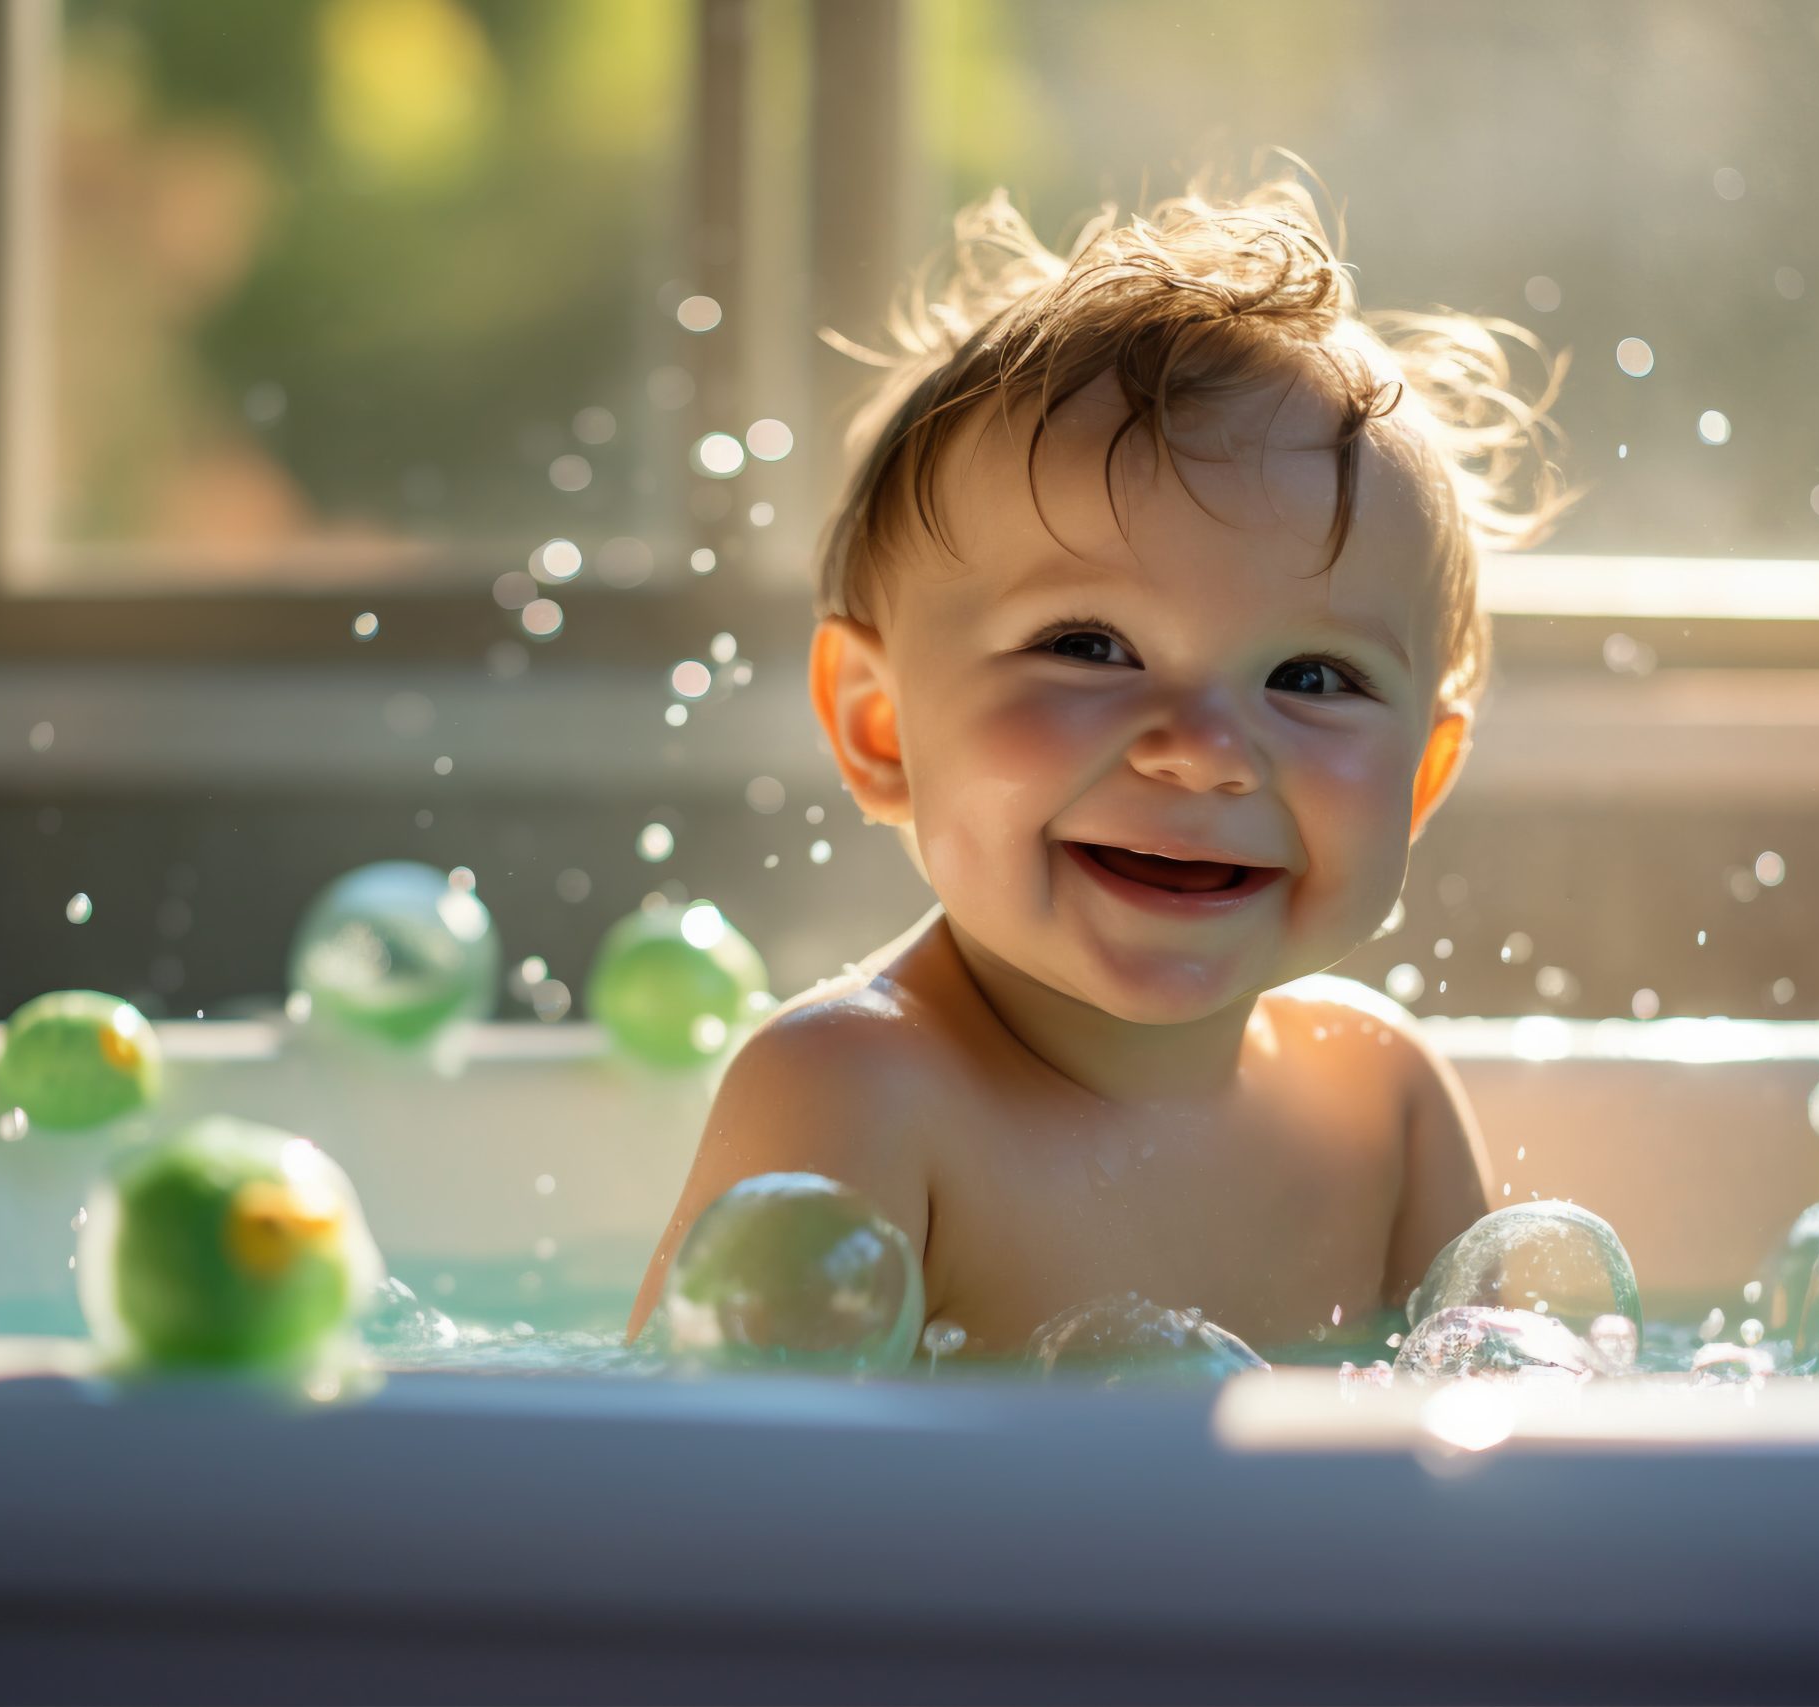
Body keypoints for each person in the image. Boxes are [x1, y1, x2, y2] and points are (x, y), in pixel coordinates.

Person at [628, 162, 1566, 1357]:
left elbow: (1506, 1462)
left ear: (1421, 781)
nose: (1206, 753)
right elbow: (691, 1499)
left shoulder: (1383, 1102)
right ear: (878, 727)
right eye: (1089, 646)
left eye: (1312, 679)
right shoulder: (859, 1092)